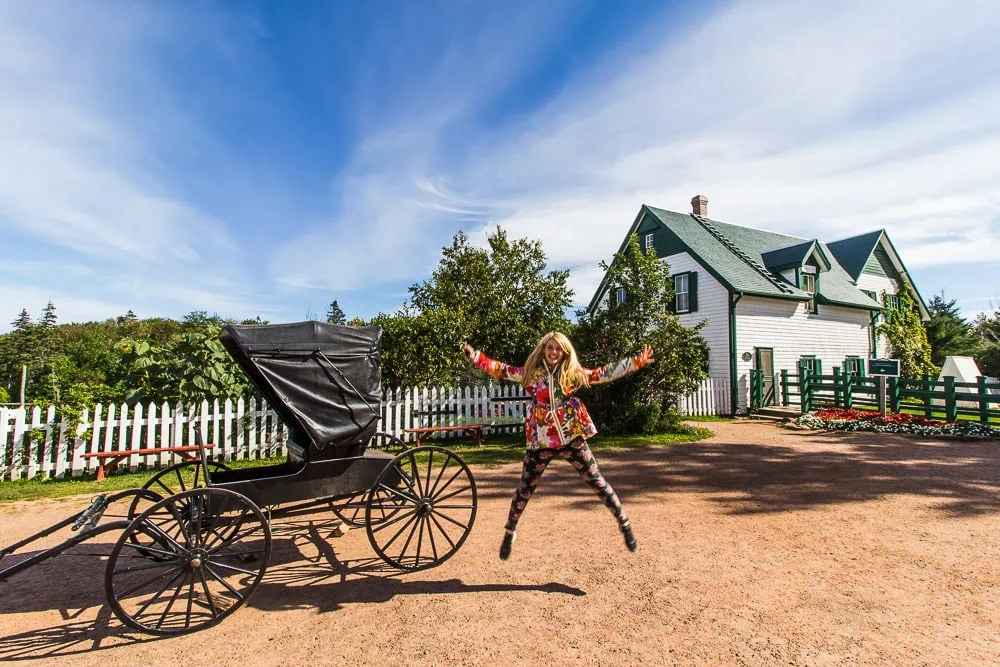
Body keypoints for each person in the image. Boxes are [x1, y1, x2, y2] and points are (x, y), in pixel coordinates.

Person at [462, 332, 655, 560]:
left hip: (570, 436)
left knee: (597, 481)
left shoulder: (572, 374)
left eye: (558, 349)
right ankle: (510, 531)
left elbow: (602, 374)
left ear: (564, 352)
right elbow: (501, 369)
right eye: (550, 348)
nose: (553, 352)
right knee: (525, 489)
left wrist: (635, 363)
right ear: (543, 349)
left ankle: (624, 524)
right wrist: (476, 357)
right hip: (541, 439)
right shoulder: (531, 375)